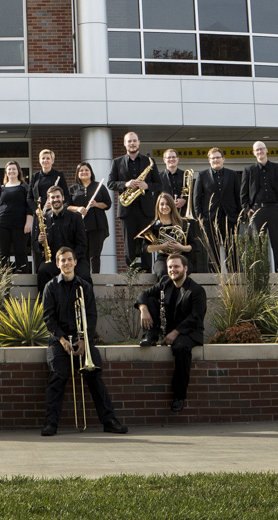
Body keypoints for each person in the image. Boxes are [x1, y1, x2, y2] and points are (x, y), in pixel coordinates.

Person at [41, 246, 127, 436]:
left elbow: (91, 315)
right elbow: (49, 318)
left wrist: (83, 340)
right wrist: (63, 340)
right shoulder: (51, 287)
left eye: (69, 259)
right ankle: (51, 423)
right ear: (57, 264)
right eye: (63, 260)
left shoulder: (84, 286)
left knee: (94, 374)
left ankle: (109, 420)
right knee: (58, 375)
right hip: (59, 339)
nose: (67, 263)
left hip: (82, 338)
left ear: (75, 262)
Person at [137, 250, 207, 412]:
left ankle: (179, 397)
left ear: (185, 268)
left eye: (176, 266)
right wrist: (143, 309)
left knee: (180, 348)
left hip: (189, 332)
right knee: (150, 300)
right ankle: (150, 336)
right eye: (169, 267)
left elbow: (196, 319)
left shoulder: (196, 290)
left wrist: (175, 333)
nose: (172, 270)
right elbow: (143, 294)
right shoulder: (165, 282)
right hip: (169, 331)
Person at [109, 132, 155, 274]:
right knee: (128, 244)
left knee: (147, 242)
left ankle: (147, 272)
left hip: (145, 209)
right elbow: (110, 184)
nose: (132, 144)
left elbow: (158, 184)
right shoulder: (116, 162)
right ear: (125, 144)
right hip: (127, 209)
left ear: (139, 142)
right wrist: (126, 184)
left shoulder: (149, 161)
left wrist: (147, 186)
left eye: (134, 141)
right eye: (129, 141)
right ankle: (130, 273)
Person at [240, 140, 278, 270]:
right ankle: (261, 276)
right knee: (258, 246)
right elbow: (243, 193)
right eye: (257, 150)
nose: (260, 151)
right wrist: (247, 209)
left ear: (266, 150)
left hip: (275, 209)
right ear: (253, 153)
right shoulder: (249, 170)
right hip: (257, 210)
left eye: (262, 149)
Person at [194, 148, 240, 272]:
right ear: (209, 160)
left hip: (230, 217)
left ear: (223, 159)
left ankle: (234, 278)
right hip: (210, 218)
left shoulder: (232, 174)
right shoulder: (202, 175)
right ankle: (215, 278)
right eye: (213, 158)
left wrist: (238, 215)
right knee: (213, 252)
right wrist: (200, 217)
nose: (216, 160)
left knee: (232, 249)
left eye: (218, 157)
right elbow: (197, 197)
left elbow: (238, 196)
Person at [34, 185, 87, 286]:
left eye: (58, 197)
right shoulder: (43, 218)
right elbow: (37, 246)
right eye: (52, 197)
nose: (55, 200)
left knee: (84, 275)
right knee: (42, 272)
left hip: (74, 259)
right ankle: (45, 301)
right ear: (49, 200)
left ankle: (83, 302)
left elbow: (82, 243)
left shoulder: (76, 217)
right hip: (54, 260)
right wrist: (40, 241)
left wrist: (72, 260)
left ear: (63, 197)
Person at [69, 162, 111, 276]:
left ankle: (96, 278)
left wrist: (96, 204)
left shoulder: (99, 186)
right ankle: (85, 277)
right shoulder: (73, 188)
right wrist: (78, 209)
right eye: (81, 170)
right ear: (77, 174)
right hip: (80, 226)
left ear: (91, 172)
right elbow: (66, 206)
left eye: (86, 170)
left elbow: (108, 204)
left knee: (95, 254)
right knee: (83, 254)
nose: (84, 172)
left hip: (97, 225)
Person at [142, 191, 192, 277]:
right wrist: (162, 246)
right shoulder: (154, 225)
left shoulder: (182, 223)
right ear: (158, 206)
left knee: (181, 271)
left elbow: (192, 246)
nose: (164, 207)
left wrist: (180, 247)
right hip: (163, 258)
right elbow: (146, 248)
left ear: (172, 206)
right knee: (162, 273)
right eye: (162, 204)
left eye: (167, 204)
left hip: (181, 257)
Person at [0, 161, 32, 274]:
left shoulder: (25, 187)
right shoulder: (1, 188)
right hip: (2, 224)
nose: (11, 171)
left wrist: (29, 222)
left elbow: (29, 206)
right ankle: (4, 281)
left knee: (20, 252)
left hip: (20, 225)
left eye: (14, 169)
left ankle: (22, 281)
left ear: (18, 171)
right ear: (6, 172)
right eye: (9, 169)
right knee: (3, 254)